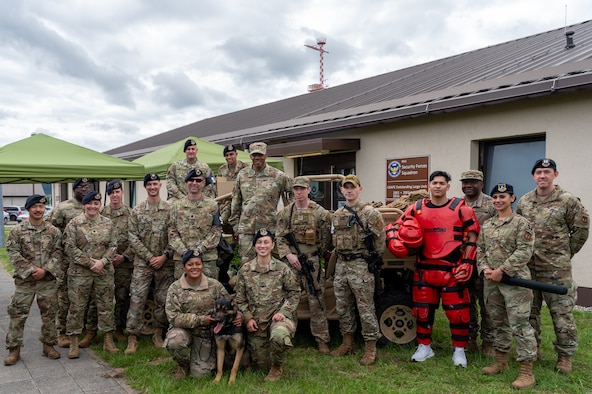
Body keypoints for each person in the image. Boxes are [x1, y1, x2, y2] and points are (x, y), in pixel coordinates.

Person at [395, 170, 479, 367]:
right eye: (435, 183)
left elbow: (473, 235)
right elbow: (397, 227)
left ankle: (459, 351)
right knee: (422, 311)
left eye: (442, 183)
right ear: (429, 186)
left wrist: (468, 262)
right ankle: (424, 346)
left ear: (448, 186)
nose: (438, 186)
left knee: (458, 313)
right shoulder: (415, 208)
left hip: (453, 270)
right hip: (424, 269)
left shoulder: (461, 208)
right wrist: (395, 240)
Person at [516, 158, 589, 374]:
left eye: (547, 172)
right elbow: (520, 230)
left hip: (556, 269)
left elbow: (581, 231)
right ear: (533, 176)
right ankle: (534, 348)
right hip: (529, 267)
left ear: (555, 175)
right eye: (538, 172)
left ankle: (565, 356)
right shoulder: (525, 201)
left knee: (562, 314)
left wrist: (564, 254)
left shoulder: (568, 201)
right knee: (530, 312)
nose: (542, 176)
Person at [477, 183, 537, 389]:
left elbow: (524, 251)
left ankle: (526, 372)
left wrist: (501, 270)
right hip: (492, 282)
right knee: (497, 322)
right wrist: (485, 269)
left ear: (512, 198)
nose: (498, 200)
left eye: (502, 196)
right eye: (494, 197)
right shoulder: (488, 225)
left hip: (514, 283)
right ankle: (500, 361)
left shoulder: (522, 223)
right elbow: (480, 250)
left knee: (520, 325)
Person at [330, 174, 385, 366]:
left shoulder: (370, 213)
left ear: (359, 189)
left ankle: (371, 347)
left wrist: (369, 259)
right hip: (342, 265)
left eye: (352, 187)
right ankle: (348, 343)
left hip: (361, 265)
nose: (349, 190)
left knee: (365, 307)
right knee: (342, 306)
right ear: (342, 190)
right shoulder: (337, 215)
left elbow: (380, 243)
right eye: (346, 187)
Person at [234, 228, 300, 382]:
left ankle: (277, 367)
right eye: (259, 242)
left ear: (272, 245)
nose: (262, 246)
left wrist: (284, 312)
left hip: (277, 318)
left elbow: (294, 293)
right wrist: (248, 318)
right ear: (254, 245)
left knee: (279, 336)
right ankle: (271, 356)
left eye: (266, 242)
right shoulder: (245, 270)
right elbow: (240, 298)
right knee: (261, 365)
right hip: (256, 323)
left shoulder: (282, 269)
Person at [4, 195, 63, 366]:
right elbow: (13, 253)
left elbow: (58, 253)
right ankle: (14, 349)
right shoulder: (18, 231)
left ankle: (48, 345)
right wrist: (31, 270)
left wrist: (45, 270)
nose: (38, 210)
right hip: (25, 281)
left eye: (41, 206)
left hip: (47, 280)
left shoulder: (53, 231)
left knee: (50, 315)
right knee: (17, 314)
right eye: (35, 206)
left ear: (45, 209)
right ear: (28, 208)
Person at [275, 176, 332, 354]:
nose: (299, 192)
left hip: (311, 261)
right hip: (292, 262)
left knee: (316, 299)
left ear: (308, 190)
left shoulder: (320, 212)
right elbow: (279, 237)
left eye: (302, 189)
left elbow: (326, 237)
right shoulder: (285, 213)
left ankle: (321, 339)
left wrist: (315, 255)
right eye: (296, 189)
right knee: (290, 300)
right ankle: (287, 336)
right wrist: (290, 256)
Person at [164, 249, 238, 379]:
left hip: (207, 334)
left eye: (198, 264)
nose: (194, 267)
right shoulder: (175, 288)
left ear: (202, 265)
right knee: (174, 341)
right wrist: (202, 320)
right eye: (190, 264)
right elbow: (174, 317)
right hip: (185, 330)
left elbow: (230, 304)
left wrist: (239, 315)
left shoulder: (214, 285)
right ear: (184, 267)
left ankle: (203, 360)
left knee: (201, 375)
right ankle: (183, 364)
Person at [64, 191, 119, 358]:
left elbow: (114, 245)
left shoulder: (108, 224)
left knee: (106, 306)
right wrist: (90, 263)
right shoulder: (74, 224)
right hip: (80, 273)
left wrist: (102, 262)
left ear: (100, 205)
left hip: (103, 272)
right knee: (77, 308)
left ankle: (108, 341)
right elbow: (69, 247)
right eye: (90, 204)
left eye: (96, 204)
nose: (93, 207)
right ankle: (73, 342)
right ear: (84, 205)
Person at [124, 173, 175, 355]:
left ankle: (158, 333)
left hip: (165, 263)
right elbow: (132, 237)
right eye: (149, 184)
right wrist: (149, 257)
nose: (152, 187)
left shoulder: (170, 209)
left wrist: (164, 256)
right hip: (143, 264)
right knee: (137, 299)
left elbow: (175, 235)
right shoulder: (137, 211)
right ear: (145, 187)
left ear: (160, 186)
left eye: (155, 184)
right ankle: (132, 337)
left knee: (162, 300)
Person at [229, 141, 293, 264]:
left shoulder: (278, 175)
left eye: (260, 155)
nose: (257, 158)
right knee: (247, 265)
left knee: (270, 264)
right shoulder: (242, 175)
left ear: (266, 155)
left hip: (270, 227)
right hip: (247, 228)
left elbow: (293, 192)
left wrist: (287, 215)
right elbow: (236, 201)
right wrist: (235, 226)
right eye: (254, 155)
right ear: (250, 157)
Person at [48, 177, 93, 348]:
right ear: (74, 189)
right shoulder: (63, 207)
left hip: (85, 262)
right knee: (65, 297)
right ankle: (63, 332)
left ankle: (79, 329)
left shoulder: (92, 206)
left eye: (86, 186)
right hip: (66, 261)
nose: (84, 188)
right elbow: (51, 231)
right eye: (80, 186)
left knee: (82, 298)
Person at [460, 170, 496, 355]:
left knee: (487, 303)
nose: (468, 185)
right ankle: (470, 338)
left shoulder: (492, 204)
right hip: (463, 261)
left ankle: (489, 342)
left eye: (473, 182)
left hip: (484, 262)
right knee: (466, 302)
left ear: (481, 184)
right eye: (465, 182)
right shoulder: (456, 204)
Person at [168, 169, 223, 280]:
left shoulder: (212, 205)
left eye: (198, 181)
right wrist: (184, 252)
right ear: (186, 182)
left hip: (206, 258)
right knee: (182, 293)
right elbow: (172, 232)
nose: (194, 183)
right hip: (182, 259)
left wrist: (199, 250)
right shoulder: (176, 206)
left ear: (203, 183)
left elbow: (216, 231)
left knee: (209, 291)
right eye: (191, 180)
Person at [100, 180, 134, 342]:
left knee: (121, 297)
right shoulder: (101, 213)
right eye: (111, 193)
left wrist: (124, 256)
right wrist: (106, 258)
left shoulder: (131, 213)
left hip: (124, 263)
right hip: (105, 263)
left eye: (117, 192)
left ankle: (119, 328)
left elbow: (135, 238)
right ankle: (104, 330)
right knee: (104, 297)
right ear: (108, 195)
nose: (115, 195)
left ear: (122, 193)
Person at [217, 144, 249, 232]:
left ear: (236, 154)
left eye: (231, 154)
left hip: (243, 200)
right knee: (222, 220)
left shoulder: (245, 167)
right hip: (228, 201)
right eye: (227, 155)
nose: (229, 157)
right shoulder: (222, 169)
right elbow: (221, 189)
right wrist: (221, 204)